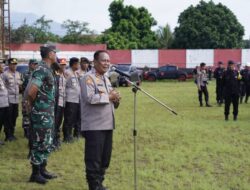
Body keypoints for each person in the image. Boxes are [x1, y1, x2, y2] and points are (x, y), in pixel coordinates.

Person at [80, 50, 121, 190]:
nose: (107, 63)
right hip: (94, 126)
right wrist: (109, 97)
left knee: (105, 158)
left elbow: (110, 101)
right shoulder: (88, 78)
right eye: (104, 60)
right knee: (94, 159)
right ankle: (93, 186)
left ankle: (99, 183)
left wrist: (116, 99)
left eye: (108, 61)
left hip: (107, 125)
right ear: (95, 62)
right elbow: (90, 98)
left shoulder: (106, 79)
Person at [25, 44, 58, 184]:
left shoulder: (47, 69)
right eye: (55, 53)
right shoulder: (41, 69)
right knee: (40, 142)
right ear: (50, 54)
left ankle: (43, 169)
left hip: (47, 112)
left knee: (47, 141)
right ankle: (35, 173)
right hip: (41, 113)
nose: (56, 55)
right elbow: (32, 91)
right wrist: (34, 107)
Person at [2, 58, 22, 141]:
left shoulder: (18, 74)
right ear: (9, 65)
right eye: (13, 64)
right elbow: (3, 87)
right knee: (8, 117)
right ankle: (8, 135)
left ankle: (12, 133)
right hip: (8, 99)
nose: (14, 66)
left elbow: (20, 85)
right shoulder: (4, 74)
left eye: (15, 64)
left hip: (16, 99)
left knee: (15, 116)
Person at [63, 57, 81, 142]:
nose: (79, 65)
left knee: (74, 118)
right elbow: (63, 85)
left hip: (76, 99)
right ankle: (66, 136)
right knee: (69, 119)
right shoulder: (67, 72)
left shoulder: (75, 73)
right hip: (70, 99)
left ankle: (71, 135)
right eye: (78, 63)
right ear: (74, 64)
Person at [22, 59, 38, 138]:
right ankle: (26, 132)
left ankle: (32, 131)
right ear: (30, 64)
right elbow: (22, 86)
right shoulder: (25, 73)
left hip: (34, 98)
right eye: (34, 64)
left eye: (36, 64)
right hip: (26, 98)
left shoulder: (37, 74)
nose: (35, 65)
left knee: (33, 114)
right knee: (26, 115)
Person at [53, 58, 67, 148]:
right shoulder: (55, 75)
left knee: (59, 122)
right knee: (54, 122)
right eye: (62, 65)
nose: (63, 66)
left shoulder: (64, 76)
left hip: (62, 102)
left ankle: (56, 139)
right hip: (56, 103)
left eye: (64, 65)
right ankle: (53, 141)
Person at [0, 62, 10, 145]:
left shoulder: (1, 77)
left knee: (2, 122)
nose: (3, 67)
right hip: (0, 104)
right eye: (1, 66)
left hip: (4, 104)